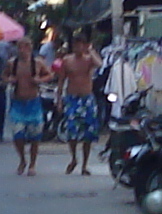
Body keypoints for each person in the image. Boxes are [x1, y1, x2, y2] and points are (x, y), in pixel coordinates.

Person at [57, 34, 103, 174]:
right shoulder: (67, 60)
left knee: (88, 133)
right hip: (72, 98)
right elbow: (61, 81)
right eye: (76, 45)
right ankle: (74, 158)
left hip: (87, 99)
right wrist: (59, 100)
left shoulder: (89, 59)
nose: (78, 48)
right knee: (72, 131)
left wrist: (91, 51)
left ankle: (84, 164)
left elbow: (99, 64)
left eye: (81, 45)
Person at [9, 29, 48, 175]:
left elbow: (49, 74)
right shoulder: (12, 63)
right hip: (18, 103)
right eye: (20, 47)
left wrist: (40, 80)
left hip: (34, 103)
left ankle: (32, 164)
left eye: (25, 47)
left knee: (35, 137)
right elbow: (5, 76)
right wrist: (10, 80)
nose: (22, 50)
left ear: (30, 48)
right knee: (17, 134)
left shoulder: (37, 63)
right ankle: (22, 159)